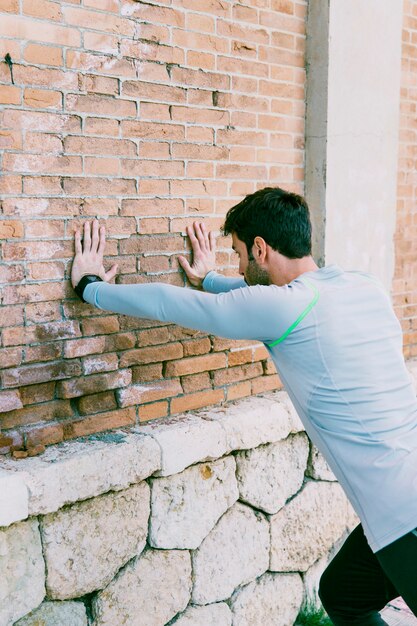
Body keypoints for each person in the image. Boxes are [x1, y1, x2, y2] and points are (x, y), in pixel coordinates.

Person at [71, 187, 417, 624]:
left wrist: (91, 287)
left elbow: (169, 302)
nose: (237, 266)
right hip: (404, 495)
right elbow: (252, 293)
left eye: (237, 254)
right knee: (344, 593)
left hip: (403, 518)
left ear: (260, 248)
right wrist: (211, 279)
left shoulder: (286, 308)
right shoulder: (362, 286)